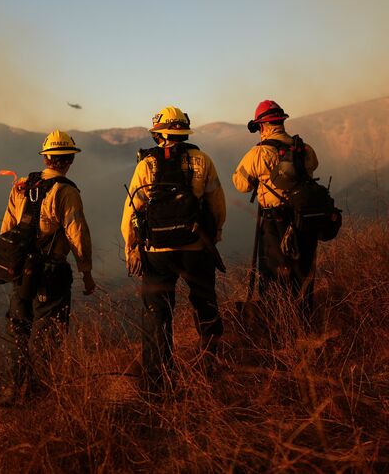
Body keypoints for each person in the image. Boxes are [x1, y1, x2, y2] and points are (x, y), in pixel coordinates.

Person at [121, 106, 226, 391]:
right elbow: (217, 204)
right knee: (205, 305)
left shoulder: (147, 165)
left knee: (157, 313)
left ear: (160, 135)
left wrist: (131, 247)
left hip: (157, 253)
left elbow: (132, 210)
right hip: (196, 247)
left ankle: (158, 381)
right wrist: (213, 236)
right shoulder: (203, 161)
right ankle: (210, 369)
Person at [0, 130, 96, 397]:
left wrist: (10, 267)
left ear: (45, 159)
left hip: (20, 271)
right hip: (51, 272)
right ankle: (40, 390)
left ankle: (15, 386)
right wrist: (86, 273)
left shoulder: (21, 187)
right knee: (48, 333)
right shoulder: (66, 192)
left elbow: (7, 229)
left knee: (18, 329)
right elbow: (78, 234)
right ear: (69, 161)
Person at [232, 100, 320, 316]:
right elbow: (314, 166)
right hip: (305, 220)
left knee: (273, 276)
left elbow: (240, 183)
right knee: (304, 273)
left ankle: (279, 328)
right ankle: (305, 324)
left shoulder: (259, 154)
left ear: (261, 126)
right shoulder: (304, 149)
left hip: (276, 222)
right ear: (281, 122)